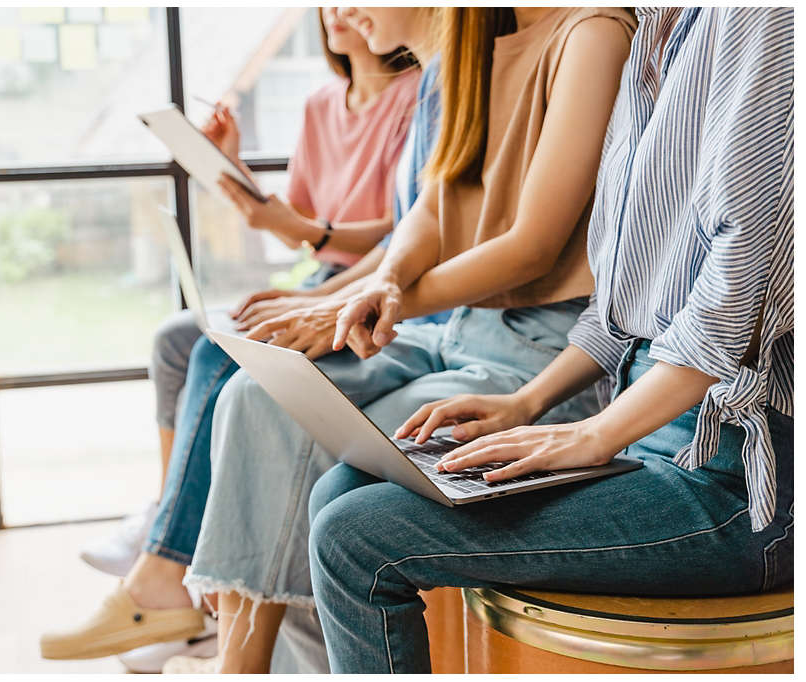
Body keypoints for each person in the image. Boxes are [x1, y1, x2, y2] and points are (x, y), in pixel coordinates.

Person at [308, 6, 794, 673]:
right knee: (342, 487)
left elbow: (733, 300)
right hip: (646, 430)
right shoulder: (653, 30)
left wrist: (593, 435)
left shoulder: (759, 19)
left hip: (737, 482)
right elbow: (618, 306)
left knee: (354, 536)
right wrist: (527, 404)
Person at [185, 6, 636, 673]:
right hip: (454, 330)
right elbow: (431, 205)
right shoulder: (477, 42)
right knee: (257, 396)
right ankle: (242, 665)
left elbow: (532, 247)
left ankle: (244, 667)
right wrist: (386, 283)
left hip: (539, 352)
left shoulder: (593, 32)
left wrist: (376, 299)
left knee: (329, 465)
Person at [41, 7, 420, 661]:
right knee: (174, 341)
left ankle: (169, 572)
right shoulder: (321, 104)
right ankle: (168, 529)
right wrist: (235, 170)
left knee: (224, 349)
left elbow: (401, 234)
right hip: (327, 271)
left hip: (371, 281)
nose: (336, 12)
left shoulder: (419, 96)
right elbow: (294, 221)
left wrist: (314, 276)